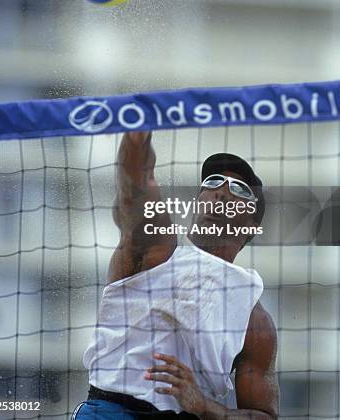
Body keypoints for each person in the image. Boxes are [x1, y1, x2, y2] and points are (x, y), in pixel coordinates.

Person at [73, 132, 279, 420]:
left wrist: (208, 407)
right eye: (212, 182)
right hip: (112, 410)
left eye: (240, 189)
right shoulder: (157, 247)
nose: (221, 191)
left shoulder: (255, 319)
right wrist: (136, 137)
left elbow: (265, 416)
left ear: (250, 227)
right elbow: (136, 183)